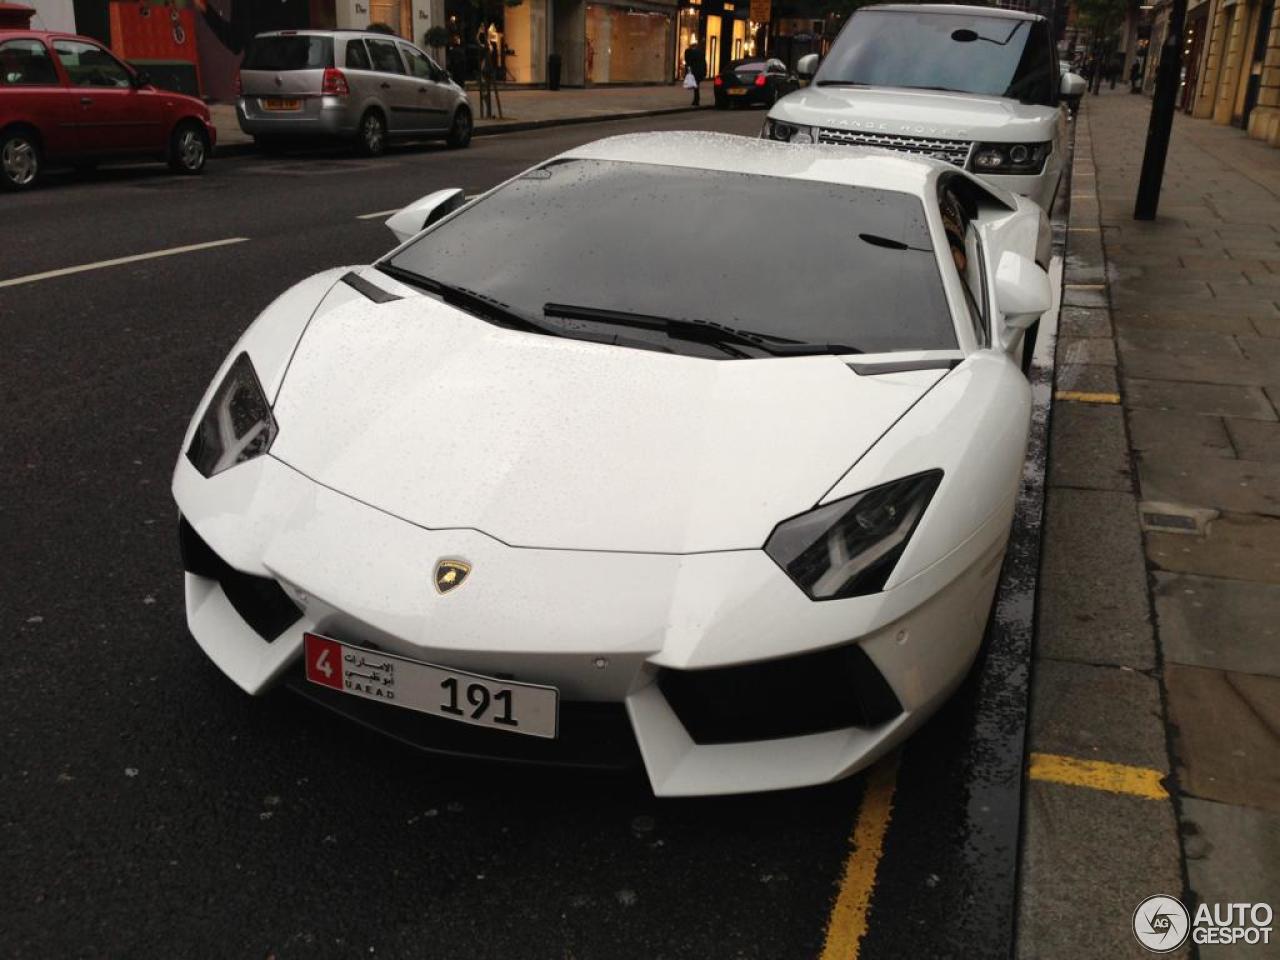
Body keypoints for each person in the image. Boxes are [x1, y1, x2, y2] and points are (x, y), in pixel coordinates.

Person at [683, 41, 707, 106]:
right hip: (700, 72)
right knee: (696, 85)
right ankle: (696, 100)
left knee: (696, 86)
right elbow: (704, 63)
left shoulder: (689, 52)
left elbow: (688, 61)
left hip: (694, 71)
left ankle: (696, 100)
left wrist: (687, 71)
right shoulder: (701, 53)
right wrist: (705, 72)